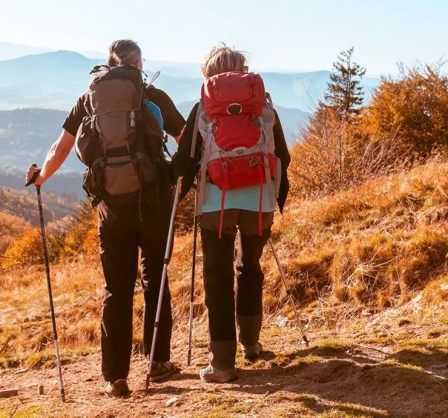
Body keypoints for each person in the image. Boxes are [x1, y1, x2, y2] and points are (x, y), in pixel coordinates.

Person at [26, 40, 185, 397]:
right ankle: (158, 363)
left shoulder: (89, 99)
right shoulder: (152, 94)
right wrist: (184, 173)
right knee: (155, 280)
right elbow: (186, 139)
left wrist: (41, 178)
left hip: (111, 209)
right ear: (139, 63)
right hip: (154, 203)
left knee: (116, 288)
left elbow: (62, 147)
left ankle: (115, 376)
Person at [172, 45, 291, 383]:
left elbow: (183, 163)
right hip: (259, 202)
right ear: (244, 70)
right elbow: (283, 154)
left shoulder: (203, 109)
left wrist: (183, 183)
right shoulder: (263, 107)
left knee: (218, 277)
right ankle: (251, 344)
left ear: (209, 75)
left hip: (215, 205)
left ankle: (222, 363)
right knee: (250, 267)